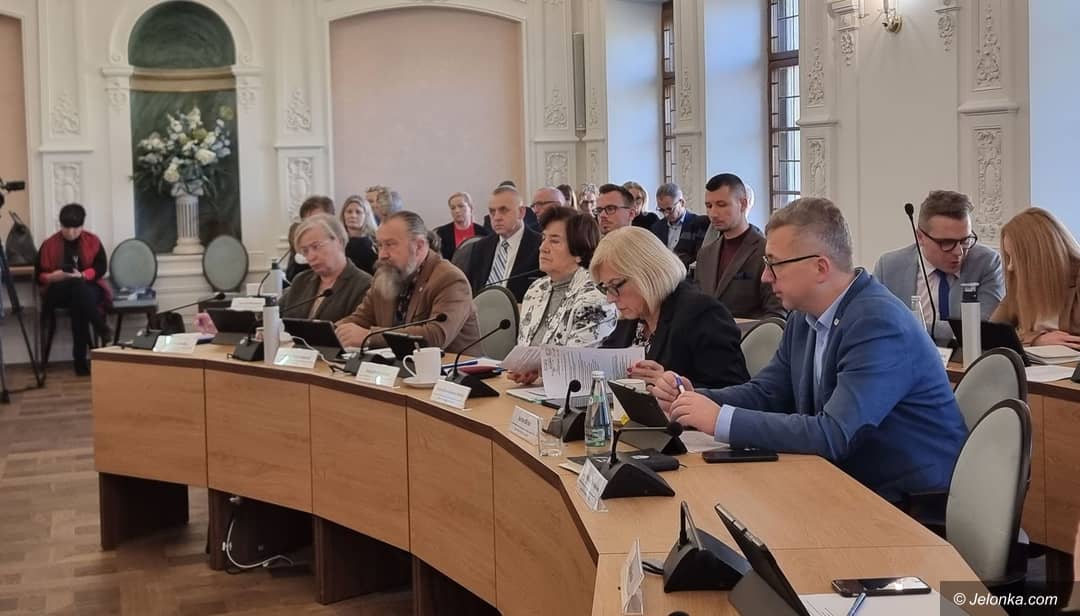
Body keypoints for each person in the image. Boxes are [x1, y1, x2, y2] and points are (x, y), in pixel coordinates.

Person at [653, 198, 967, 503]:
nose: (765, 276)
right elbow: (768, 393)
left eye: (774, 264)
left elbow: (834, 434)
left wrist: (720, 419)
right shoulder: (804, 316)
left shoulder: (878, 324)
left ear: (820, 267)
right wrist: (694, 400)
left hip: (908, 502)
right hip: (845, 482)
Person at [595, 227, 749, 389]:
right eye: (605, 288)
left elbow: (736, 391)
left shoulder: (702, 313)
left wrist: (674, 385)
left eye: (615, 285)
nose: (610, 298)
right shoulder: (634, 315)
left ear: (646, 275)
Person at [335, 211, 481, 352]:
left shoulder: (450, 279)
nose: (382, 255)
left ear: (419, 246)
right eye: (379, 246)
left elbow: (436, 334)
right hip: (398, 364)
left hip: (451, 366)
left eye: (390, 244)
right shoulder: (384, 276)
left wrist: (370, 337)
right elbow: (361, 319)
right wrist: (330, 333)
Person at [873, 190, 1004, 344]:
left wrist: (911, 325)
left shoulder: (987, 262)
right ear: (920, 237)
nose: (959, 252)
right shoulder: (888, 267)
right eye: (947, 242)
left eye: (965, 240)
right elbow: (878, 325)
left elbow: (982, 327)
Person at [509, 207, 617, 385]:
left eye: (554, 241)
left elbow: (577, 363)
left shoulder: (596, 297)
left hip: (576, 392)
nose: (543, 248)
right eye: (543, 238)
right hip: (535, 390)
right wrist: (529, 371)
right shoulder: (536, 289)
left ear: (579, 252)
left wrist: (539, 371)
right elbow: (525, 350)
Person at [693, 173, 785, 319]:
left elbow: (776, 313)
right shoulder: (705, 254)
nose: (713, 213)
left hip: (751, 332)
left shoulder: (765, 251)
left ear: (743, 204)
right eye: (709, 206)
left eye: (721, 205)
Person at [35, 203, 112, 376]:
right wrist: (51, 276)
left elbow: (101, 267)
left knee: (79, 297)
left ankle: (80, 362)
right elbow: (38, 275)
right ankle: (100, 327)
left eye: (75, 228)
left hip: (87, 289)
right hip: (58, 291)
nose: (70, 232)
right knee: (79, 289)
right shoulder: (49, 244)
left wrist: (83, 275)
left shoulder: (92, 241)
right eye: (66, 228)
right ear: (60, 225)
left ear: (82, 225)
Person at [991, 207, 1080, 347]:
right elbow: (992, 334)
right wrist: (1035, 339)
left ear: (1041, 257)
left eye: (1017, 258)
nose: (1010, 267)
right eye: (1009, 257)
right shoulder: (1021, 284)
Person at [279, 214, 372, 322]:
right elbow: (276, 313)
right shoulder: (301, 280)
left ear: (340, 241)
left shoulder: (364, 285)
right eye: (305, 251)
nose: (311, 256)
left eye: (316, 246)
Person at [464, 186, 542, 302]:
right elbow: (469, 290)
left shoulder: (541, 246)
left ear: (521, 212)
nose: (496, 217)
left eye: (503, 210)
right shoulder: (480, 247)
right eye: (492, 212)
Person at [649, 182, 701, 264]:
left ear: (682, 203)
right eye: (661, 210)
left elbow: (699, 258)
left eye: (669, 209)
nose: (665, 214)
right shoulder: (656, 228)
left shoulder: (698, 224)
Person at [286, 195, 335, 281]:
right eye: (307, 221)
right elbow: (290, 276)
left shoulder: (340, 244)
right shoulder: (301, 245)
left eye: (317, 219)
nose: (311, 225)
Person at [434, 192, 488, 260]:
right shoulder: (441, 233)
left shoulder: (483, 233)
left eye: (461, 206)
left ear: (470, 208)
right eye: (453, 208)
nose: (457, 211)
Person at [340, 194, 378, 274]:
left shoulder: (374, 243)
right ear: (343, 215)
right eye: (349, 212)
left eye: (358, 212)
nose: (353, 216)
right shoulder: (338, 242)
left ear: (366, 216)